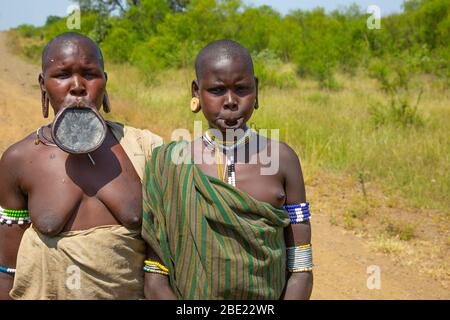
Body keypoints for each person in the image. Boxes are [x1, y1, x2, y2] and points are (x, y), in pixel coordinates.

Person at [141, 40, 313, 299]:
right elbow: (156, 274)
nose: (231, 101)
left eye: (242, 89)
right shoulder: (172, 164)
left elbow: (301, 267)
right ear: (196, 92)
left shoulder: (282, 159)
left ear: (257, 90)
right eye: (217, 90)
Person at [0, 32, 162, 300]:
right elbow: (7, 269)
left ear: (105, 82)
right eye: (62, 75)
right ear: (43, 84)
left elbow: (163, 260)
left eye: (89, 74)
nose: (77, 85)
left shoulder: (145, 149)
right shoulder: (20, 159)